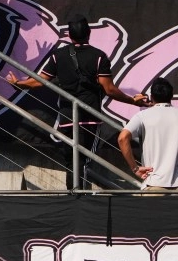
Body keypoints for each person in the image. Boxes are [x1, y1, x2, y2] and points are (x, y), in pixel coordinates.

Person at [8, 15, 148, 188]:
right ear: (89, 33)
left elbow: (39, 81)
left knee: (71, 161)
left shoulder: (58, 56)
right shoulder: (98, 57)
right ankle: (80, 198)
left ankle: (73, 195)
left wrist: (19, 84)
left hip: (67, 117)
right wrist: (132, 101)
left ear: (70, 36)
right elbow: (109, 89)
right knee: (85, 160)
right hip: (90, 117)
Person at [118, 77, 178, 188]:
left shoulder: (143, 116)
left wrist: (135, 168)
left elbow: (122, 138)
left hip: (153, 183)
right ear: (171, 96)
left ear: (152, 97)